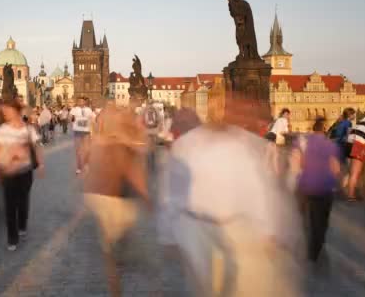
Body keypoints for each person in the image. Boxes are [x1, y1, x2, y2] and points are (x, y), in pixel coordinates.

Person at [158, 102, 303, 297]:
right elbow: (172, 192)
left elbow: (257, 188)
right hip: (198, 230)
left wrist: (269, 231)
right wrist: (168, 235)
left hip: (235, 231)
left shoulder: (243, 143)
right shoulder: (187, 144)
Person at [82, 105, 150, 297]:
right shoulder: (117, 141)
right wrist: (146, 195)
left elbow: (85, 161)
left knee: (111, 247)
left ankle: (116, 278)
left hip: (104, 197)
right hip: (114, 199)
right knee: (117, 244)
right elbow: (132, 170)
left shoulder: (101, 140)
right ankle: (118, 279)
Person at [0, 100, 44, 251]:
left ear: (16, 111)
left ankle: (22, 224)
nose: (5, 113)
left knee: (22, 201)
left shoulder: (28, 129)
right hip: (7, 172)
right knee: (9, 205)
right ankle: (12, 237)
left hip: (24, 171)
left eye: (8, 111)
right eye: (4, 111)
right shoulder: (1, 130)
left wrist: (40, 163)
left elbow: (37, 146)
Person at [291, 118, 341, 263]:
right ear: (325, 129)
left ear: (313, 129)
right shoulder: (332, 145)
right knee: (321, 222)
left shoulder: (302, 142)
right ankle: (315, 250)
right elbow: (336, 168)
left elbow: (299, 163)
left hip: (305, 185)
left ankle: (304, 244)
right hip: (325, 188)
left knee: (305, 218)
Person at [70, 97, 95, 175]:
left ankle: (86, 164)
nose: (80, 102)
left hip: (86, 131)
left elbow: (92, 120)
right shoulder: (74, 109)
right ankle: (79, 167)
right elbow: (70, 118)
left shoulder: (89, 110)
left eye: (82, 101)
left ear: (85, 102)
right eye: (79, 101)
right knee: (78, 151)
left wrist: (92, 131)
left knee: (87, 150)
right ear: (77, 102)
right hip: (77, 131)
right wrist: (72, 120)